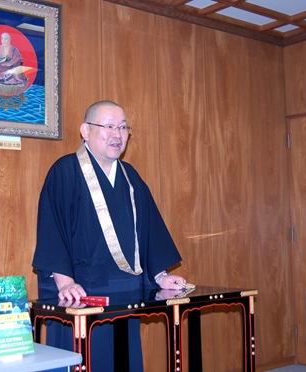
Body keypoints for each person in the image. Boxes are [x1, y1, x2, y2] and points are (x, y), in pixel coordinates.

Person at [32, 100, 187, 371]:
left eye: (124, 127)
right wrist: (66, 283)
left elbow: (148, 232)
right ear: (85, 130)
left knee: (123, 361)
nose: (118, 134)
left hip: (124, 292)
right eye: (109, 126)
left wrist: (161, 276)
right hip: (80, 294)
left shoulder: (130, 178)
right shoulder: (65, 171)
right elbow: (52, 231)